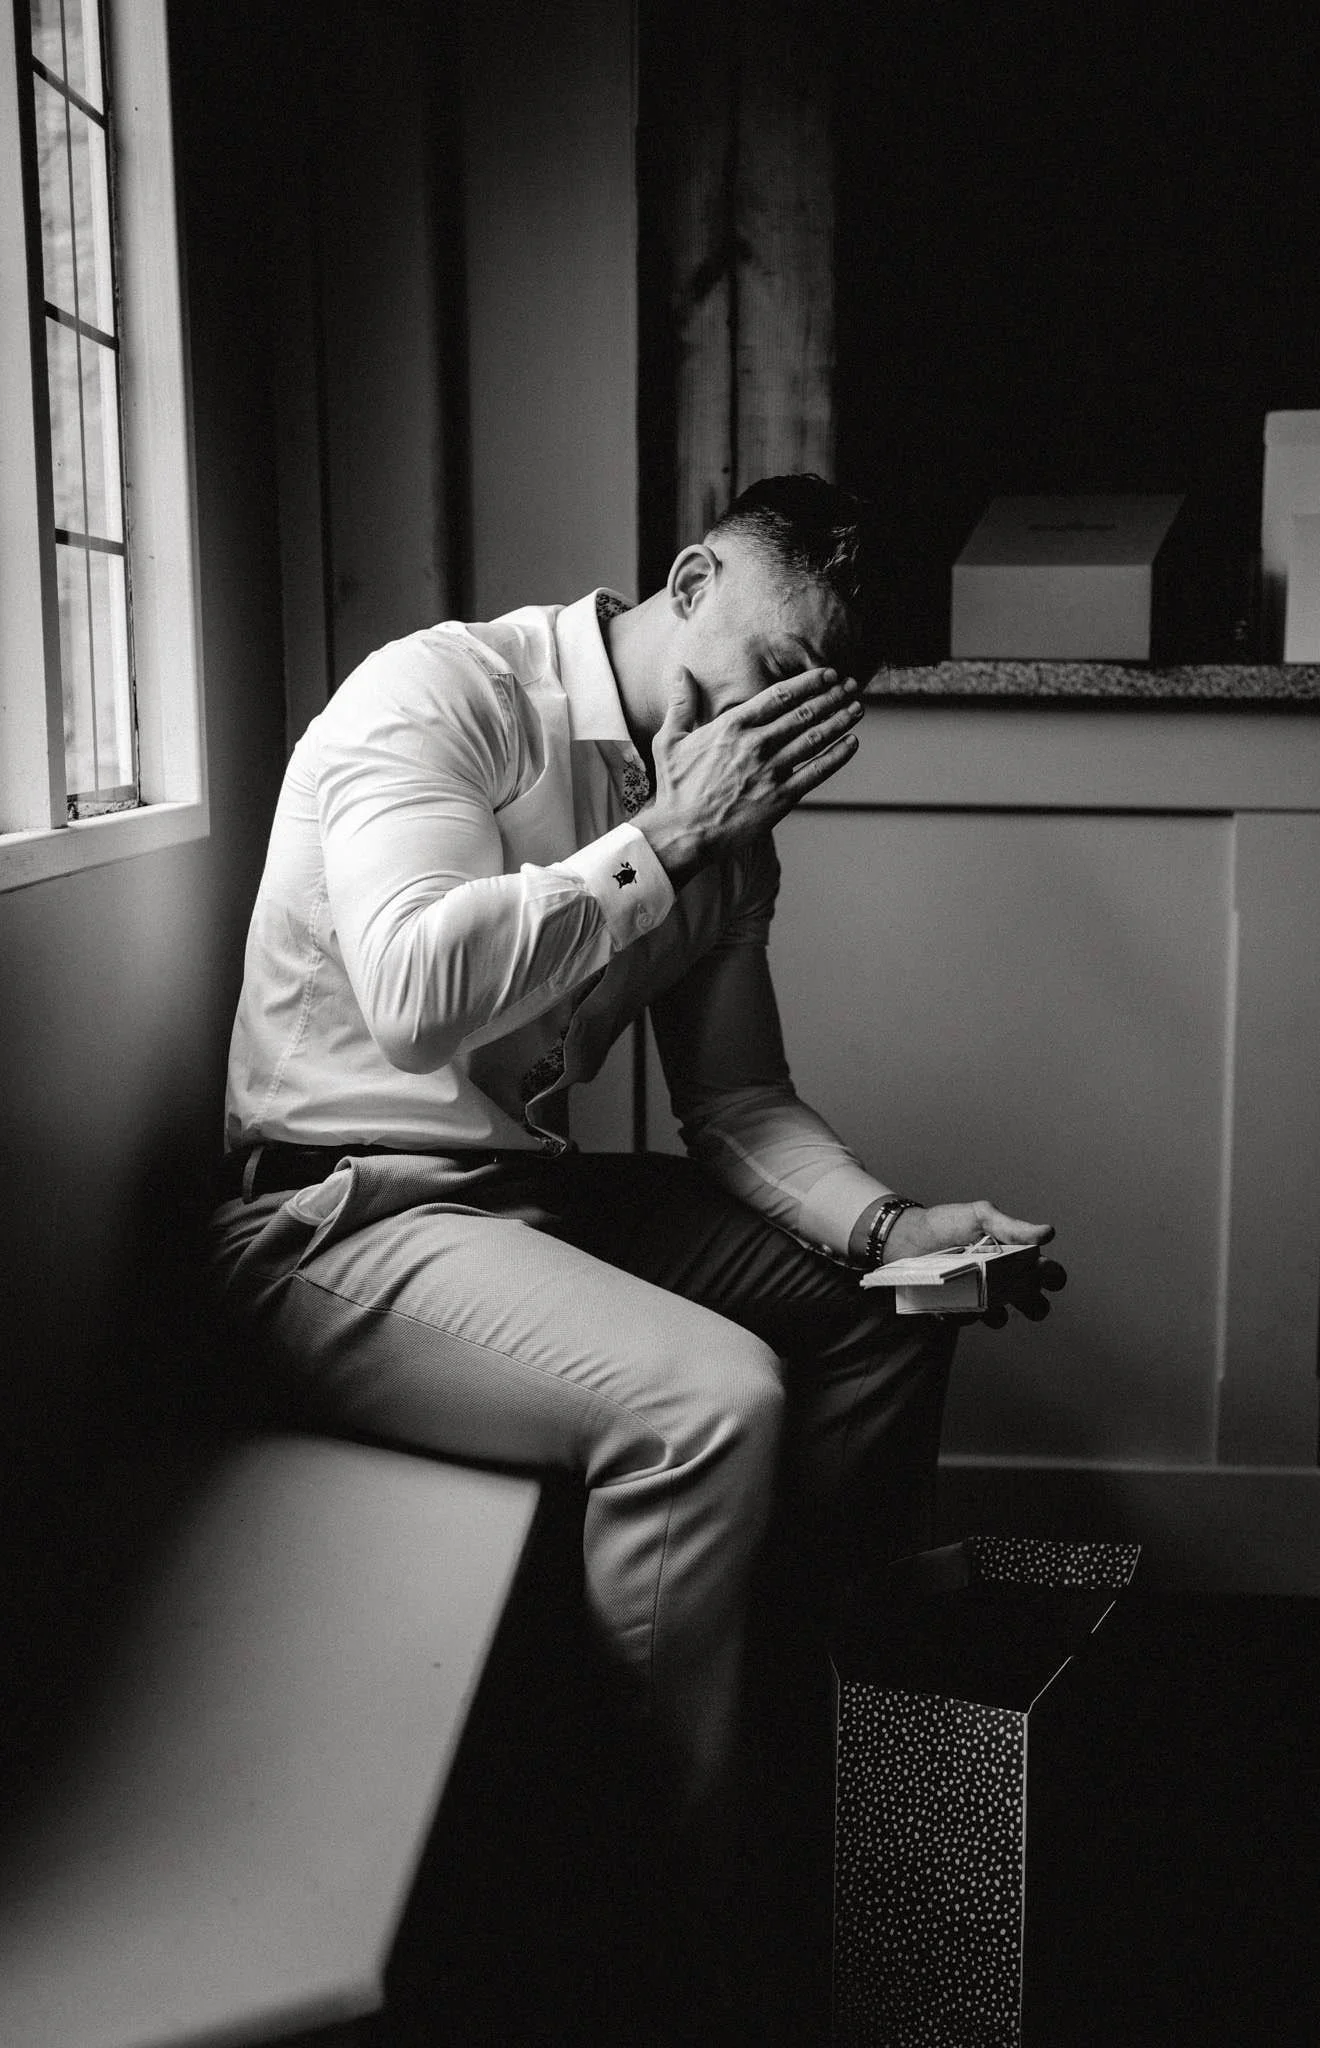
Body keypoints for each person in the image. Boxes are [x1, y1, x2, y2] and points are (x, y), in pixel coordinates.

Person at [206, 472, 1063, 2013]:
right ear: (688, 580)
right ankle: (664, 1907)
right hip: (333, 1213)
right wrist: (664, 838)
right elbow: (410, 999)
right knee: (706, 1397)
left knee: (878, 1307)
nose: (786, 728)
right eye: (774, 674)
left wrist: (892, 1223)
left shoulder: (724, 822)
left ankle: (801, 1716)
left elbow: (735, 1103)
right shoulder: (444, 697)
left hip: (511, 1201)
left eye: (830, 702)